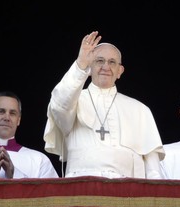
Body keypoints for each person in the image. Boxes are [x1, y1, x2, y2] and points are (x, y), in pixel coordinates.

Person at [43, 31, 165, 179]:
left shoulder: (140, 110)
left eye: (112, 62)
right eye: (99, 61)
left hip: (126, 192)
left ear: (120, 71)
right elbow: (58, 105)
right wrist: (81, 63)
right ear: (90, 67)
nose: (105, 67)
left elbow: (154, 171)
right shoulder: (73, 101)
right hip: (80, 186)